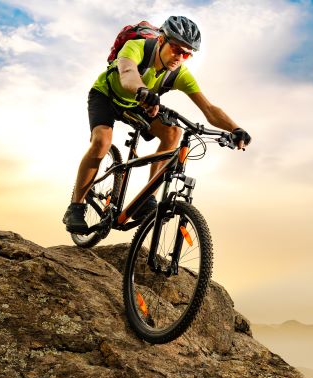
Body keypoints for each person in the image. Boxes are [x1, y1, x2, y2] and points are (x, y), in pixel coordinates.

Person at [63, 15, 251, 234]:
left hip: (140, 104)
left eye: (187, 53)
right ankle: (75, 206)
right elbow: (127, 74)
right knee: (101, 142)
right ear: (161, 40)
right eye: (176, 49)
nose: (180, 57)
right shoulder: (137, 47)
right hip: (107, 96)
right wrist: (143, 91)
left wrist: (236, 129)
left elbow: (209, 109)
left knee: (173, 133)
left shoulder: (179, 74)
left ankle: (147, 200)